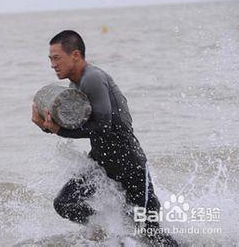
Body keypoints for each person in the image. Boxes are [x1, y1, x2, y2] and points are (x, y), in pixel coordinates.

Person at [31, 30, 178, 246]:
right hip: (102, 166)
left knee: (151, 235)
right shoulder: (75, 86)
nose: (52, 64)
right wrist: (45, 126)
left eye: (57, 58)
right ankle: (103, 227)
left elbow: (102, 126)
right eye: (50, 59)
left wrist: (57, 131)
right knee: (65, 203)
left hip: (130, 166)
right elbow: (75, 126)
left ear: (75, 55)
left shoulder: (93, 78)